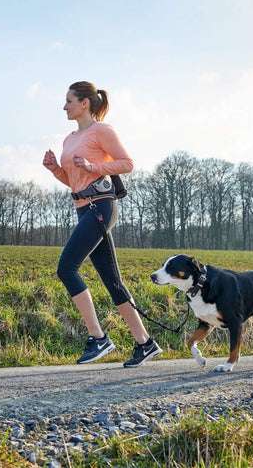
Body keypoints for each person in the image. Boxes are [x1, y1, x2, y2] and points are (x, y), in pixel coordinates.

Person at [42, 81, 162, 368]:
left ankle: (98, 338)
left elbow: (127, 163)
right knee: (112, 281)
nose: (64, 106)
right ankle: (145, 343)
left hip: (102, 206)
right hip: (83, 209)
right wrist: (55, 169)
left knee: (66, 268)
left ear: (85, 103)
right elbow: (73, 182)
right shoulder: (69, 139)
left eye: (69, 100)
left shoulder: (102, 131)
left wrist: (94, 167)